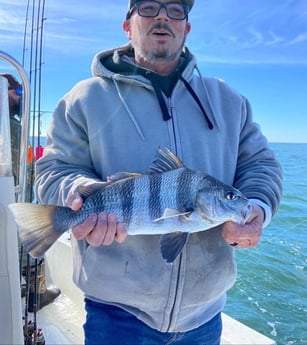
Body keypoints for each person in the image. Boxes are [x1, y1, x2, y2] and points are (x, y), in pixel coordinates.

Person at [35, 0, 283, 344]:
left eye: (176, 9)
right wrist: (80, 193)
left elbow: (261, 165)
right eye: (149, 7)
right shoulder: (83, 99)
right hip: (115, 316)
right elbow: (54, 169)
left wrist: (257, 206)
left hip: (205, 317)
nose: (164, 16)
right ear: (128, 25)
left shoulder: (229, 100)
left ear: (187, 28)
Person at [0, 73, 61, 312]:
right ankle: (38, 295)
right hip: (14, 201)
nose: (21, 98)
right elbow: (17, 170)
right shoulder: (11, 127)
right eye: (18, 92)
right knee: (33, 241)